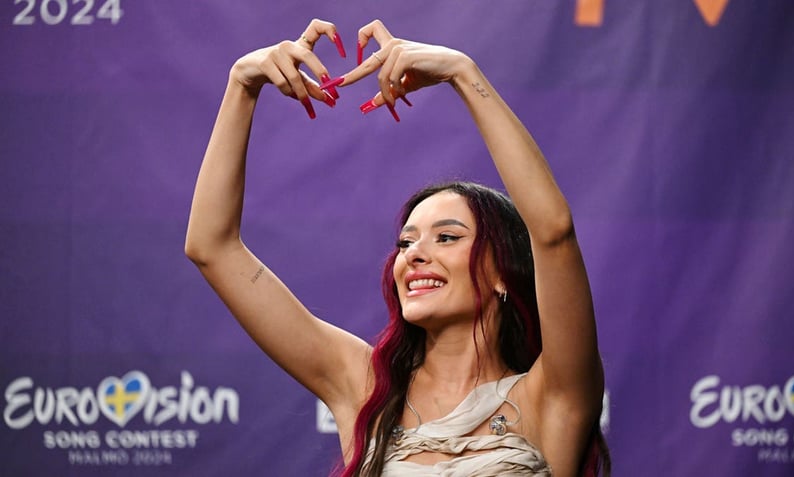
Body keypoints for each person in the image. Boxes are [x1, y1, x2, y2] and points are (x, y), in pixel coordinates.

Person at [185, 18, 610, 477]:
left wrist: (462, 73)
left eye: (447, 237)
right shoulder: (366, 388)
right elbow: (213, 247)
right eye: (406, 242)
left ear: (503, 270)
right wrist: (241, 85)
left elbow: (553, 233)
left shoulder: (550, 396)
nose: (414, 254)